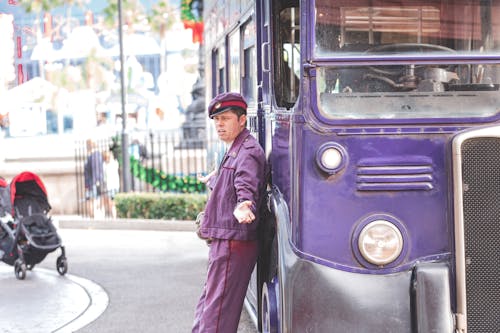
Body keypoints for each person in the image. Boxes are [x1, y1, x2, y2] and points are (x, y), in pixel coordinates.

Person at [192, 92, 267, 333]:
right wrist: (216, 178)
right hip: (226, 239)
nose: (219, 125)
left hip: (233, 241)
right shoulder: (237, 147)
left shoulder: (247, 151)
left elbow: (246, 185)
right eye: (216, 120)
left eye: (225, 118)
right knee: (209, 306)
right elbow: (235, 179)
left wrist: (244, 204)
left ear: (242, 120)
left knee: (217, 313)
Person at [84, 139, 104, 218]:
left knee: (93, 200)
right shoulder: (95, 155)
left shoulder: (94, 155)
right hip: (92, 182)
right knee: (92, 200)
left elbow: (95, 169)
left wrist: (95, 182)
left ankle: (94, 218)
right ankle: (93, 217)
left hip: (92, 182)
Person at [102, 150, 120, 219]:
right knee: (111, 202)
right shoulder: (115, 163)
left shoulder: (107, 165)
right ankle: (113, 216)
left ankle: (113, 216)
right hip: (114, 186)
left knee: (111, 203)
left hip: (110, 187)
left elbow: (105, 177)